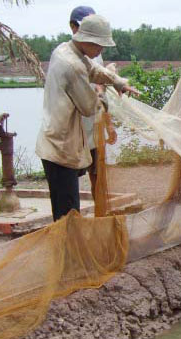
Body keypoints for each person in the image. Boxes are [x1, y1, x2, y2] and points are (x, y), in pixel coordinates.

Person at [36, 14, 139, 221]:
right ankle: (69, 251)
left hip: (56, 141)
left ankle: (69, 249)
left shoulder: (65, 49)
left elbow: (93, 69)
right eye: (99, 45)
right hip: (61, 147)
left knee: (66, 209)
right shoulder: (72, 65)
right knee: (68, 214)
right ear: (87, 40)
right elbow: (89, 106)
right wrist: (106, 100)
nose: (101, 50)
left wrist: (118, 82)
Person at [69, 6, 117, 200]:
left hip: (94, 124)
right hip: (75, 127)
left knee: (97, 172)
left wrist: (109, 124)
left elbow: (100, 87)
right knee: (73, 172)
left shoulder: (95, 53)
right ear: (73, 27)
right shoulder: (69, 57)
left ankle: (100, 211)